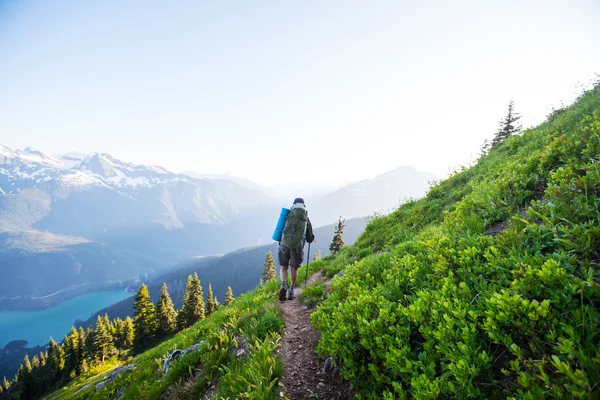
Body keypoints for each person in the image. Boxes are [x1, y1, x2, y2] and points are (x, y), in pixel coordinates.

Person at [278, 198, 315, 301]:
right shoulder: (305, 218)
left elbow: (279, 230)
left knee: (283, 267)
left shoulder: (287, 215)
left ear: (293, 205)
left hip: (284, 245)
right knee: (294, 268)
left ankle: (283, 285)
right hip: (297, 248)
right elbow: (309, 238)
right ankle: (291, 291)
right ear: (303, 206)